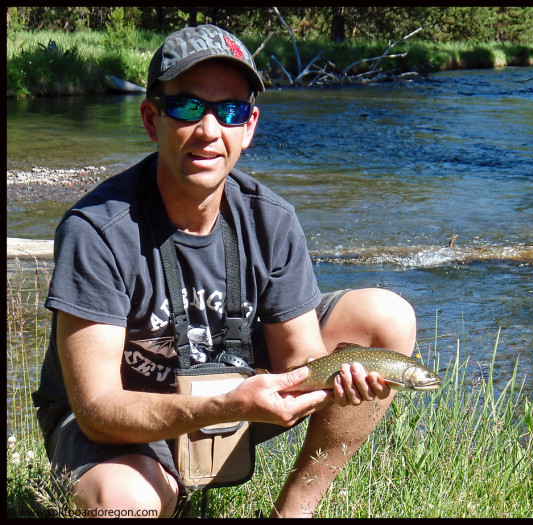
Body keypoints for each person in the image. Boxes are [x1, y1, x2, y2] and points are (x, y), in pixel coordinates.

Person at [32, 24, 416, 518]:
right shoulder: (98, 230)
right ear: (152, 119)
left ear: (249, 126)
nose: (210, 130)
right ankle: (150, 485)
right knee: (122, 503)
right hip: (118, 425)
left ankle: (294, 513)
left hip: (237, 392)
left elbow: (300, 356)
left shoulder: (270, 219)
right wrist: (232, 404)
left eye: (230, 111)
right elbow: (99, 410)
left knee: (386, 317)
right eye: (188, 106)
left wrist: (337, 381)